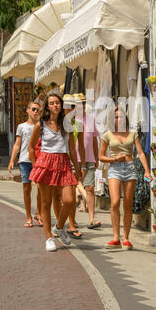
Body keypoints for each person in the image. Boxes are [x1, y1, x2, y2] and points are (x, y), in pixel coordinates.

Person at [28, 91, 81, 252]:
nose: (55, 105)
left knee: (70, 200)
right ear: (47, 106)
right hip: (46, 162)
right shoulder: (41, 124)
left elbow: (72, 148)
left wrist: (78, 168)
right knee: (46, 202)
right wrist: (35, 165)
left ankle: (59, 227)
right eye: (51, 103)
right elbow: (31, 147)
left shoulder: (67, 124)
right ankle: (48, 238)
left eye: (57, 103)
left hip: (63, 163)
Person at [99, 106, 152, 250]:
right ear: (112, 119)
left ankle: (126, 238)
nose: (119, 119)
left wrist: (147, 171)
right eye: (116, 117)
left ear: (125, 118)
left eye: (121, 116)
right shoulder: (107, 135)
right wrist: (115, 160)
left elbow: (140, 153)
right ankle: (116, 237)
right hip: (114, 169)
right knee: (115, 202)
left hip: (130, 168)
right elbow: (101, 157)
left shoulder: (133, 133)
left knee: (128, 203)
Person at [8, 100, 42, 228]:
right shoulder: (21, 126)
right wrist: (12, 160)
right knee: (26, 189)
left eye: (38, 110)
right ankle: (28, 216)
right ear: (27, 110)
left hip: (39, 161)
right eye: (33, 109)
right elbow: (17, 144)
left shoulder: (42, 125)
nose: (35, 112)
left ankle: (39, 214)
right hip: (24, 160)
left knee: (40, 188)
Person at [74, 93, 101, 230]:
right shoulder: (71, 120)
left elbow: (94, 139)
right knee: (73, 189)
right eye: (79, 103)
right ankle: (72, 221)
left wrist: (96, 157)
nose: (81, 106)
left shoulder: (90, 119)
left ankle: (91, 219)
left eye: (83, 103)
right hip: (74, 159)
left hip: (89, 159)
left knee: (90, 188)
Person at [62, 93, 86, 239]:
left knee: (70, 195)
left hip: (71, 161)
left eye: (73, 106)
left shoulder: (78, 124)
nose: (70, 109)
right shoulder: (56, 123)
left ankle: (71, 224)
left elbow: (80, 146)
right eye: (67, 106)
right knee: (59, 197)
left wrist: (82, 165)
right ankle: (60, 224)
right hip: (56, 161)